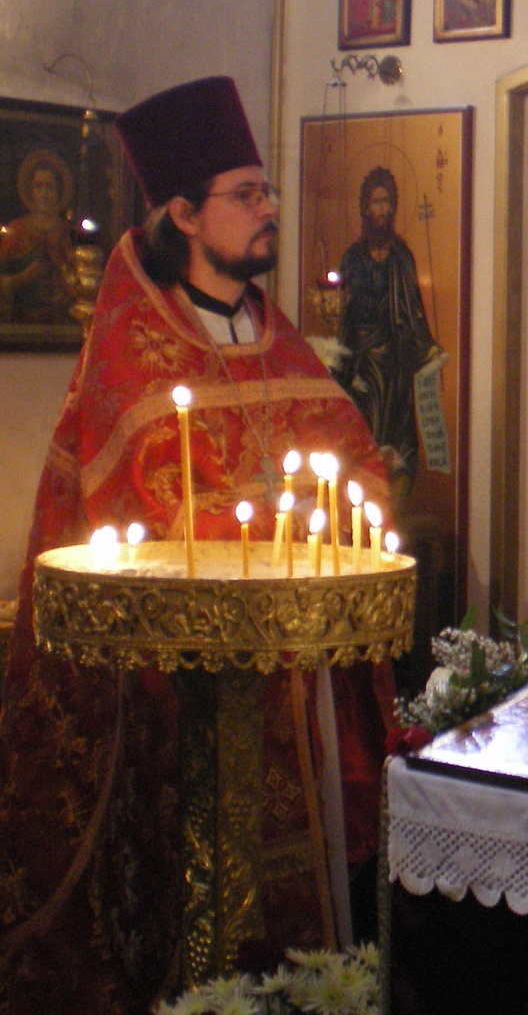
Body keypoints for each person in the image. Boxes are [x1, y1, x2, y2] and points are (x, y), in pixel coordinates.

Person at [0, 77, 397, 1014]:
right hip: (181, 699)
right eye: (246, 195)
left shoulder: (274, 333)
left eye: (267, 192)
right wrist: (284, 514)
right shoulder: (134, 353)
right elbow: (151, 529)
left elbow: (359, 464)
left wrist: (327, 507)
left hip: (300, 679)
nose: (269, 210)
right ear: (183, 213)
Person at [332, 165, 441, 493]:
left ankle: (396, 497)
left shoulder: (401, 257)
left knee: (398, 433)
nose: (382, 209)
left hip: (397, 361)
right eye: (376, 202)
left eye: (387, 202)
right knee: (367, 428)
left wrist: (427, 348)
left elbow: (414, 311)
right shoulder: (353, 258)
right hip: (362, 363)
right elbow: (345, 315)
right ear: (365, 207)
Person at [0, 148, 75, 324]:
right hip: (21, 323)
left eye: (50, 187)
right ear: (31, 190)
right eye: (38, 186)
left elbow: (81, 279)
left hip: (62, 323)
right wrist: (23, 277)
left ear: (59, 191)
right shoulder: (17, 230)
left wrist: (65, 292)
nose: (44, 194)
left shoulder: (68, 232)